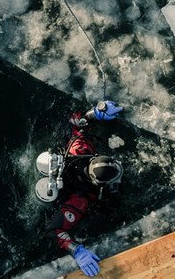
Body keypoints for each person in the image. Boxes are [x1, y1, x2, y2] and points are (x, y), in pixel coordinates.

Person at [48, 100, 124, 277]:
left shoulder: (80, 149)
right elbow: (54, 231)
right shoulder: (79, 201)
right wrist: (77, 251)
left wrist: (95, 114)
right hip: (65, 192)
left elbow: (75, 122)